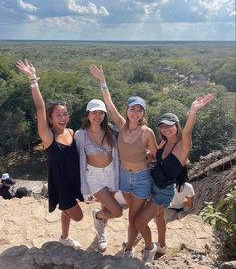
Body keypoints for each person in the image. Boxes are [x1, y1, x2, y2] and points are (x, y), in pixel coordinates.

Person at [89, 65, 158, 260]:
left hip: (141, 178)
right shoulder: (121, 125)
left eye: (139, 110)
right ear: (127, 110)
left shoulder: (147, 132)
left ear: (143, 113)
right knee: (127, 215)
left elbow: (155, 155)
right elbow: (108, 104)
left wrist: (149, 155)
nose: (135, 113)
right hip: (123, 177)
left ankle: (129, 248)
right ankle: (126, 240)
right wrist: (102, 81)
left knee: (133, 217)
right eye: (132, 109)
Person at [135, 94, 215, 261]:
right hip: (155, 184)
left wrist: (192, 111)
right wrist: (152, 155)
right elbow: (160, 158)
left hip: (164, 191)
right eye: (162, 126)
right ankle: (162, 246)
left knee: (139, 222)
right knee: (159, 217)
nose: (166, 129)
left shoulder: (182, 146)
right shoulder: (164, 142)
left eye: (170, 126)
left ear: (177, 126)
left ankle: (150, 248)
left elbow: (187, 131)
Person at [16, 59, 84, 250]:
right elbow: (39, 107)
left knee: (66, 209)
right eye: (58, 115)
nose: (63, 118)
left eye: (65, 114)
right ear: (51, 118)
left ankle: (64, 237)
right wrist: (33, 79)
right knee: (77, 216)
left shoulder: (72, 132)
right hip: (60, 183)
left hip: (74, 180)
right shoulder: (48, 136)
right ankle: (70, 211)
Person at [74, 99, 122, 252]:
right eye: (94, 112)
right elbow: (74, 157)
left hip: (111, 173)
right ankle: (99, 217)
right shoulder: (80, 135)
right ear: (88, 115)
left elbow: (127, 143)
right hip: (94, 178)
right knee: (117, 211)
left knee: (106, 207)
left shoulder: (111, 131)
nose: (98, 116)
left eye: (101, 112)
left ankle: (101, 231)